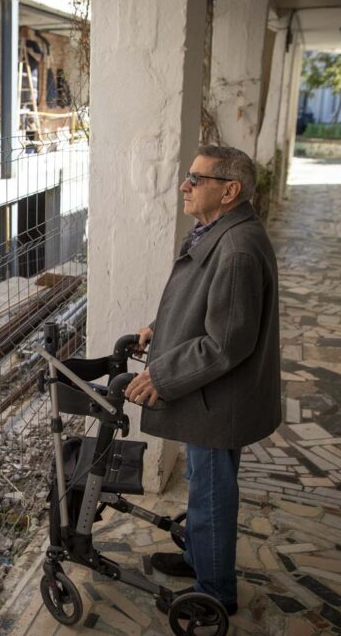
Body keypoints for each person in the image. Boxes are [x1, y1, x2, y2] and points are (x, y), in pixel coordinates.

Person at [124, 144, 281, 616]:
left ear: (229, 190)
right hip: (213, 393)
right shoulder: (218, 230)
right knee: (201, 481)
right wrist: (158, 329)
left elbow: (225, 344)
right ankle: (198, 559)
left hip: (217, 397)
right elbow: (202, 304)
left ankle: (214, 593)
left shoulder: (235, 250)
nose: (185, 186)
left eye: (197, 178)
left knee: (211, 490)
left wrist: (161, 374)